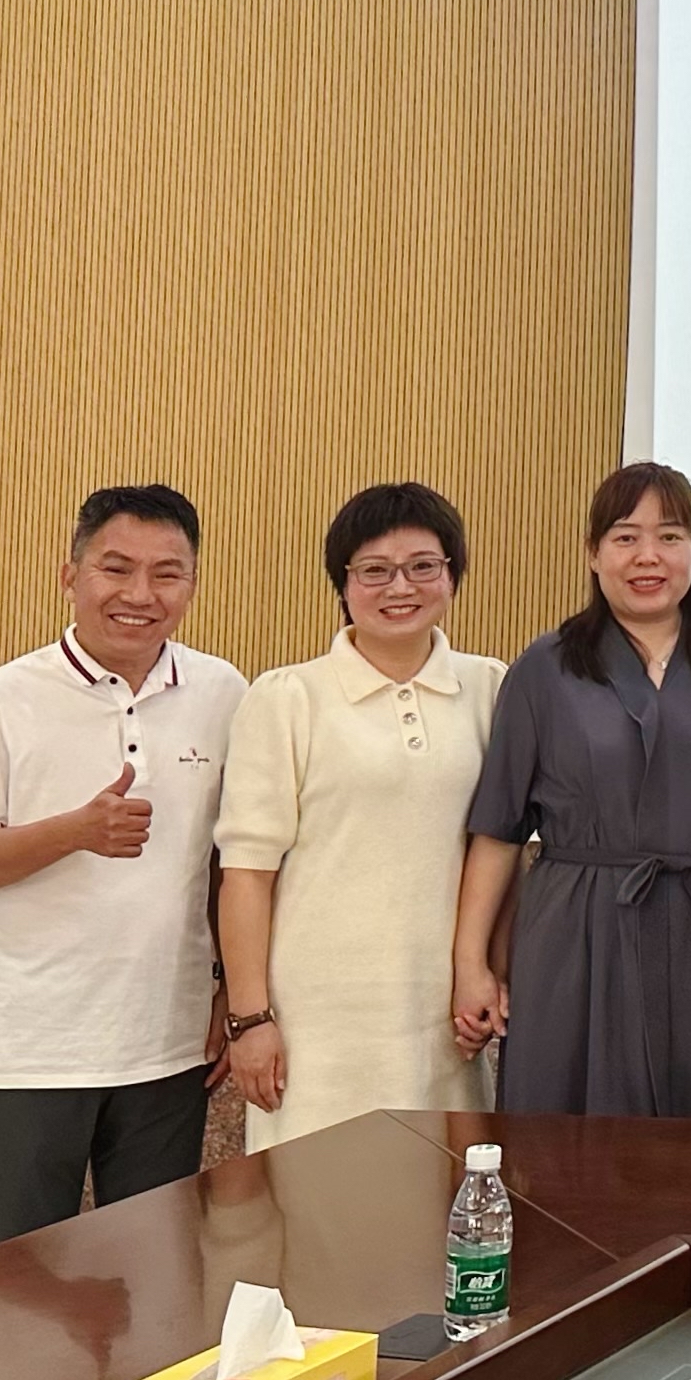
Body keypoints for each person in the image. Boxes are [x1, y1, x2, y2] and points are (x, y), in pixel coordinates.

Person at [0, 486, 249, 1246]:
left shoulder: (225, 692)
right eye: (116, 568)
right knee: (18, 1282)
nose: (140, 594)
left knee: (157, 1274)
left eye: (167, 573)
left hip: (169, 1046)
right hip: (33, 1050)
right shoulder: (0, 700)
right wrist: (75, 831)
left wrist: (233, 989)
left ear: (192, 586)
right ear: (70, 576)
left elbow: (231, 861)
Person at [451, 462, 691, 1117]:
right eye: (626, 537)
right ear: (594, 554)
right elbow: (498, 830)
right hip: (575, 925)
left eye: (670, 536)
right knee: (565, 1123)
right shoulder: (545, 668)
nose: (648, 556)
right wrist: (471, 963)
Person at [215, 484, 507, 1150]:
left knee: (440, 1189)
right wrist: (250, 1019)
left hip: (445, 1017)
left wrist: (490, 969)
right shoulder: (287, 697)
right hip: (317, 1021)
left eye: (423, 566)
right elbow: (247, 874)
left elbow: (504, 852)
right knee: (319, 1196)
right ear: (343, 585)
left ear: (452, 575)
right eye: (374, 570)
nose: (400, 587)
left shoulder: (491, 688)